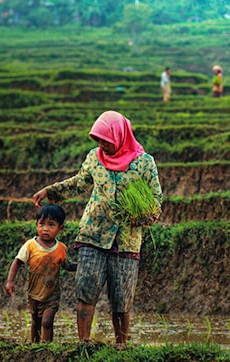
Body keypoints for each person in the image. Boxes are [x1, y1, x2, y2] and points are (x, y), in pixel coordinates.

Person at [32, 110, 163, 347]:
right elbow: (78, 182)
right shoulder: (95, 158)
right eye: (99, 140)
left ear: (120, 136)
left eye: (107, 140)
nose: (102, 144)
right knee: (86, 290)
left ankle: (121, 344)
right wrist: (50, 192)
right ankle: (85, 342)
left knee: (122, 298)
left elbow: (156, 197)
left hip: (127, 239)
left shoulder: (144, 163)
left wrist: (148, 215)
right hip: (93, 234)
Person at [4, 204, 77, 343]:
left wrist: (82, 266)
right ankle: (34, 347)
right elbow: (17, 262)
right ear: (36, 224)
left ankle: (47, 347)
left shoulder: (61, 248)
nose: (45, 228)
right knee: (36, 322)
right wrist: (10, 281)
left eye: (51, 225)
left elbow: (68, 265)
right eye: (41, 224)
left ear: (60, 228)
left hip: (52, 295)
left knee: (47, 321)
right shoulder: (30, 245)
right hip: (34, 294)